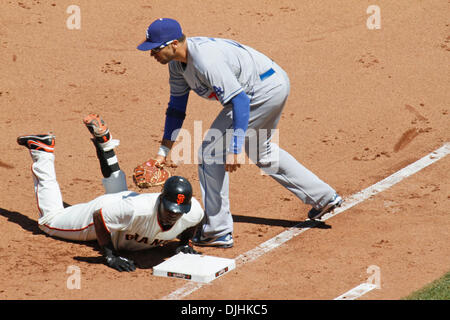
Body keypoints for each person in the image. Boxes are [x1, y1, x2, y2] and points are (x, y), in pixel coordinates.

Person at [136, 18, 342, 248]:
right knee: (260, 150)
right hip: (269, 83)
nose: (151, 53)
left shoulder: (205, 61)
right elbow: (176, 109)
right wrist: (163, 153)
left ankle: (217, 230)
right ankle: (324, 198)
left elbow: (240, 101)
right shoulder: (177, 65)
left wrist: (234, 148)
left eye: (155, 48)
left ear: (174, 43)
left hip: (261, 91)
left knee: (210, 153)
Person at [17, 114, 204, 272]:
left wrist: (185, 244)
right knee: (50, 221)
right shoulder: (137, 209)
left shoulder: (193, 213)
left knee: (123, 206)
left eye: (178, 212)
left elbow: (193, 221)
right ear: (160, 200)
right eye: (170, 210)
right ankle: (42, 151)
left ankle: (105, 144)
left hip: (124, 210)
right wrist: (110, 255)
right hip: (106, 212)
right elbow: (100, 216)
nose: (173, 215)